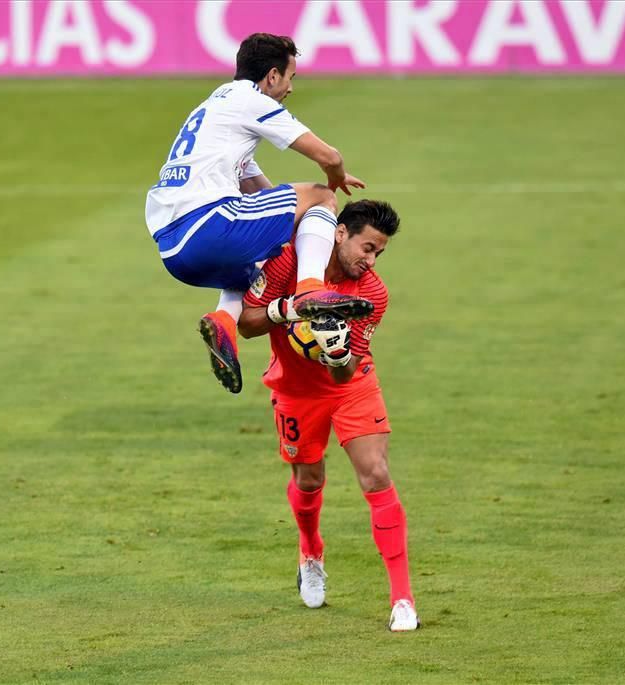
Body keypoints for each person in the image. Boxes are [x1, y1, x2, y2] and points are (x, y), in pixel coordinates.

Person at [144, 33, 372, 395]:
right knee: (321, 195)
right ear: (271, 76)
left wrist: (296, 224)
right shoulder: (251, 101)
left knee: (262, 263)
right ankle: (310, 291)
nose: (290, 88)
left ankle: (223, 321)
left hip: (174, 250)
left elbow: (255, 183)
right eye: (290, 77)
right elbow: (328, 156)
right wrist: (332, 183)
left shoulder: (213, 105)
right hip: (207, 223)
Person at [238, 199, 419, 632]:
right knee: (309, 479)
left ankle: (403, 598)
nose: (371, 261)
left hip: (351, 386)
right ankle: (310, 551)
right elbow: (246, 322)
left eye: (379, 254)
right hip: (295, 392)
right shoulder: (287, 263)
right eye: (368, 248)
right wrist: (289, 310)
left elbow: (345, 372)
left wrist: (335, 350)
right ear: (340, 233)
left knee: (375, 472)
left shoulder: (372, 293)